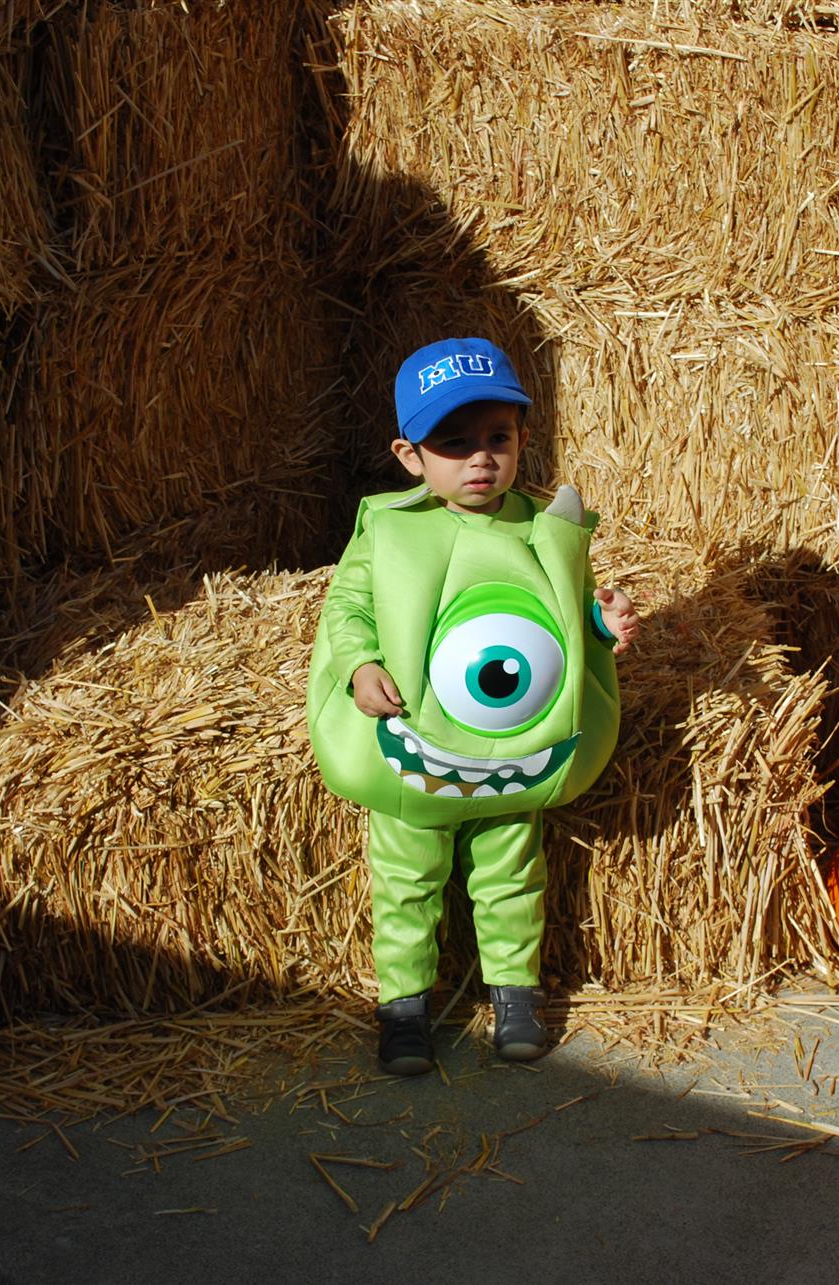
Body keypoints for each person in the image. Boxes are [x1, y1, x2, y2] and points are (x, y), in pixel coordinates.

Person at [305, 337, 639, 1076]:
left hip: (510, 758)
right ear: (410, 454)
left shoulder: (542, 527)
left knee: (512, 873)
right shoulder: (392, 529)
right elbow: (349, 608)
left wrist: (598, 624)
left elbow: (557, 622)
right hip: (417, 750)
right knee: (405, 878)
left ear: (523, 437)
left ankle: (515, 995)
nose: (481, 458)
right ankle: (404, 1007)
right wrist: (360, 664)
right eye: (455, 444)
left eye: (497, 438)